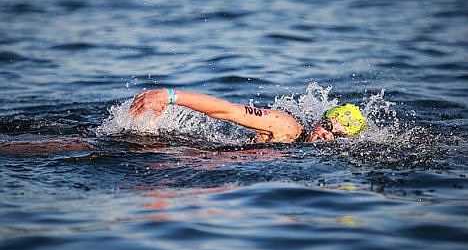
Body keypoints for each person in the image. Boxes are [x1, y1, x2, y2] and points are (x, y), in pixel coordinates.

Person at [128, 88, 366, 143]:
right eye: (326, 124)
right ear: (319, 118)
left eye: (336, 134)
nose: (325, 133)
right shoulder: (285, 126)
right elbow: (227, 110)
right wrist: (171, 96)